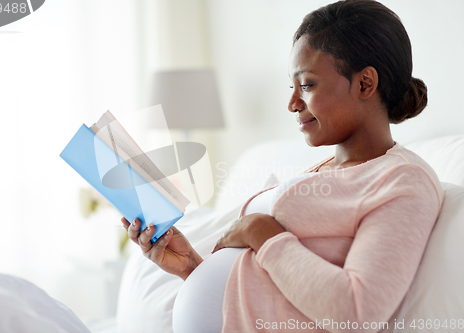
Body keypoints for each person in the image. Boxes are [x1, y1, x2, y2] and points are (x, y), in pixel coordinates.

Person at [122, 0, 444, 332]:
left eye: (306, 85)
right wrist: (192, 268)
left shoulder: (403, 181)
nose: (292, 103)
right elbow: (277, 291)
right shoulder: (327, 169)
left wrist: (258, 230)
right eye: (292, 87)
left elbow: (356, 312)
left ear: (364, 84)